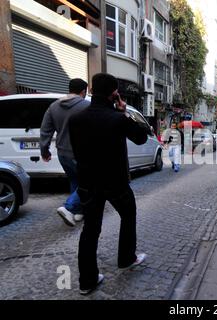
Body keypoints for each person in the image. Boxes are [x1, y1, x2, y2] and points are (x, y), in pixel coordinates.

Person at [69, 73, 151, 295]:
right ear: (113, 93)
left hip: (87, 183)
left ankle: (87, 281)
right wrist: (124, 111)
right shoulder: (117, 118)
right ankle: (126, 258)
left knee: (90, 230)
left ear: (93, 90)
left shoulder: (75, 119)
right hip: (116, 183)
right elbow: (142, 137)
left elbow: (75, 150)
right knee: (128, 215)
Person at [40, 78, 90, 227]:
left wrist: (45, 150)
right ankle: (69, 207)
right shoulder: (86, 106)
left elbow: (45, 130)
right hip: (81, 153)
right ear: (83, 91)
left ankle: (79, 211)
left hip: (62, 153)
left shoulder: (54, 106)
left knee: (75, 180)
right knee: (87, 182)